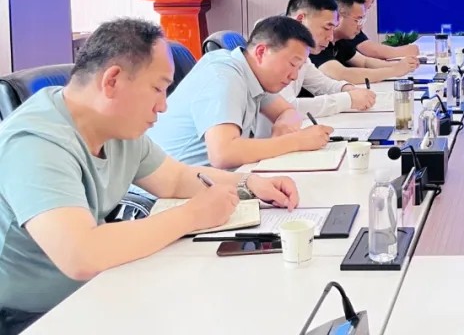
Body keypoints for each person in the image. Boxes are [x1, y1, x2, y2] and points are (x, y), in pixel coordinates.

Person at [0, 19, 300, 332]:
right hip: (35, 315)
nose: (163, 106)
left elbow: (175, 179)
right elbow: (81, 254)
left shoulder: (116, 125)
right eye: (158, 88)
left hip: (103, 285)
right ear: (112, 81)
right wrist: (192, 216)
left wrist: (250, 184)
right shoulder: (35, 142)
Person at [147, 16, 333, 170]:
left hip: (207, 181)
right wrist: (296, 141)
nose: (294, 76)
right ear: (261, 52)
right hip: (163, 194)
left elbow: (288, 111)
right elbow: (223, 154)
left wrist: (284, 126)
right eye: (293, 64)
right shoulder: (223, 76)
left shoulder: (252, 74)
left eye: (299, 68)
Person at [280, 0, 377, 118]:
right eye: (327, 28)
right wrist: (348, 100)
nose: (331, 37)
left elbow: (322, 84)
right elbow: (286, 107)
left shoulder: (302, 55)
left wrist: (347, 89)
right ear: (300, 20)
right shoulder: (275, 50)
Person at [311, 0, 418, 84]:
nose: (360, 26)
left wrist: (401, 65)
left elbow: (365, 62)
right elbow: (342, 74)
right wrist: (394, 71)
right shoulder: (318, 42)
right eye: (357, 20)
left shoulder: (341, 40)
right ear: (338, 17)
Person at [342, 0, 421, 60]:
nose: (373, 3)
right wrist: (404, 51)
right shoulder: (341, 14)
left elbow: (364, 59)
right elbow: (369, 50)